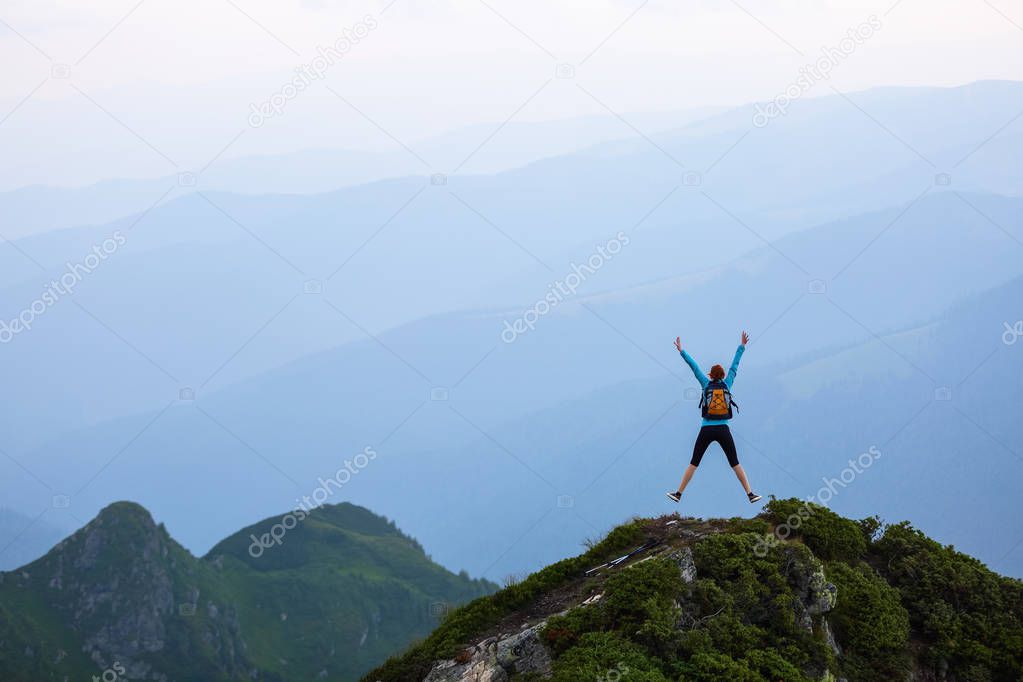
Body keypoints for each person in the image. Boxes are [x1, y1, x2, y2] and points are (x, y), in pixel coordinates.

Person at [667, 331, 762, 504]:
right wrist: (742, 346)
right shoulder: (728, 383)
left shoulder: (705, 384)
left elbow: (694, 367)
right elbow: (735, 365)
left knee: (694, 462)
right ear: (724, 375)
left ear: (710, 375)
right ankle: (750, 494)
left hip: (706, 428)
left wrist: (682, 351)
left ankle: (678, 494)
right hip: (723, 429)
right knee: (735, 462)